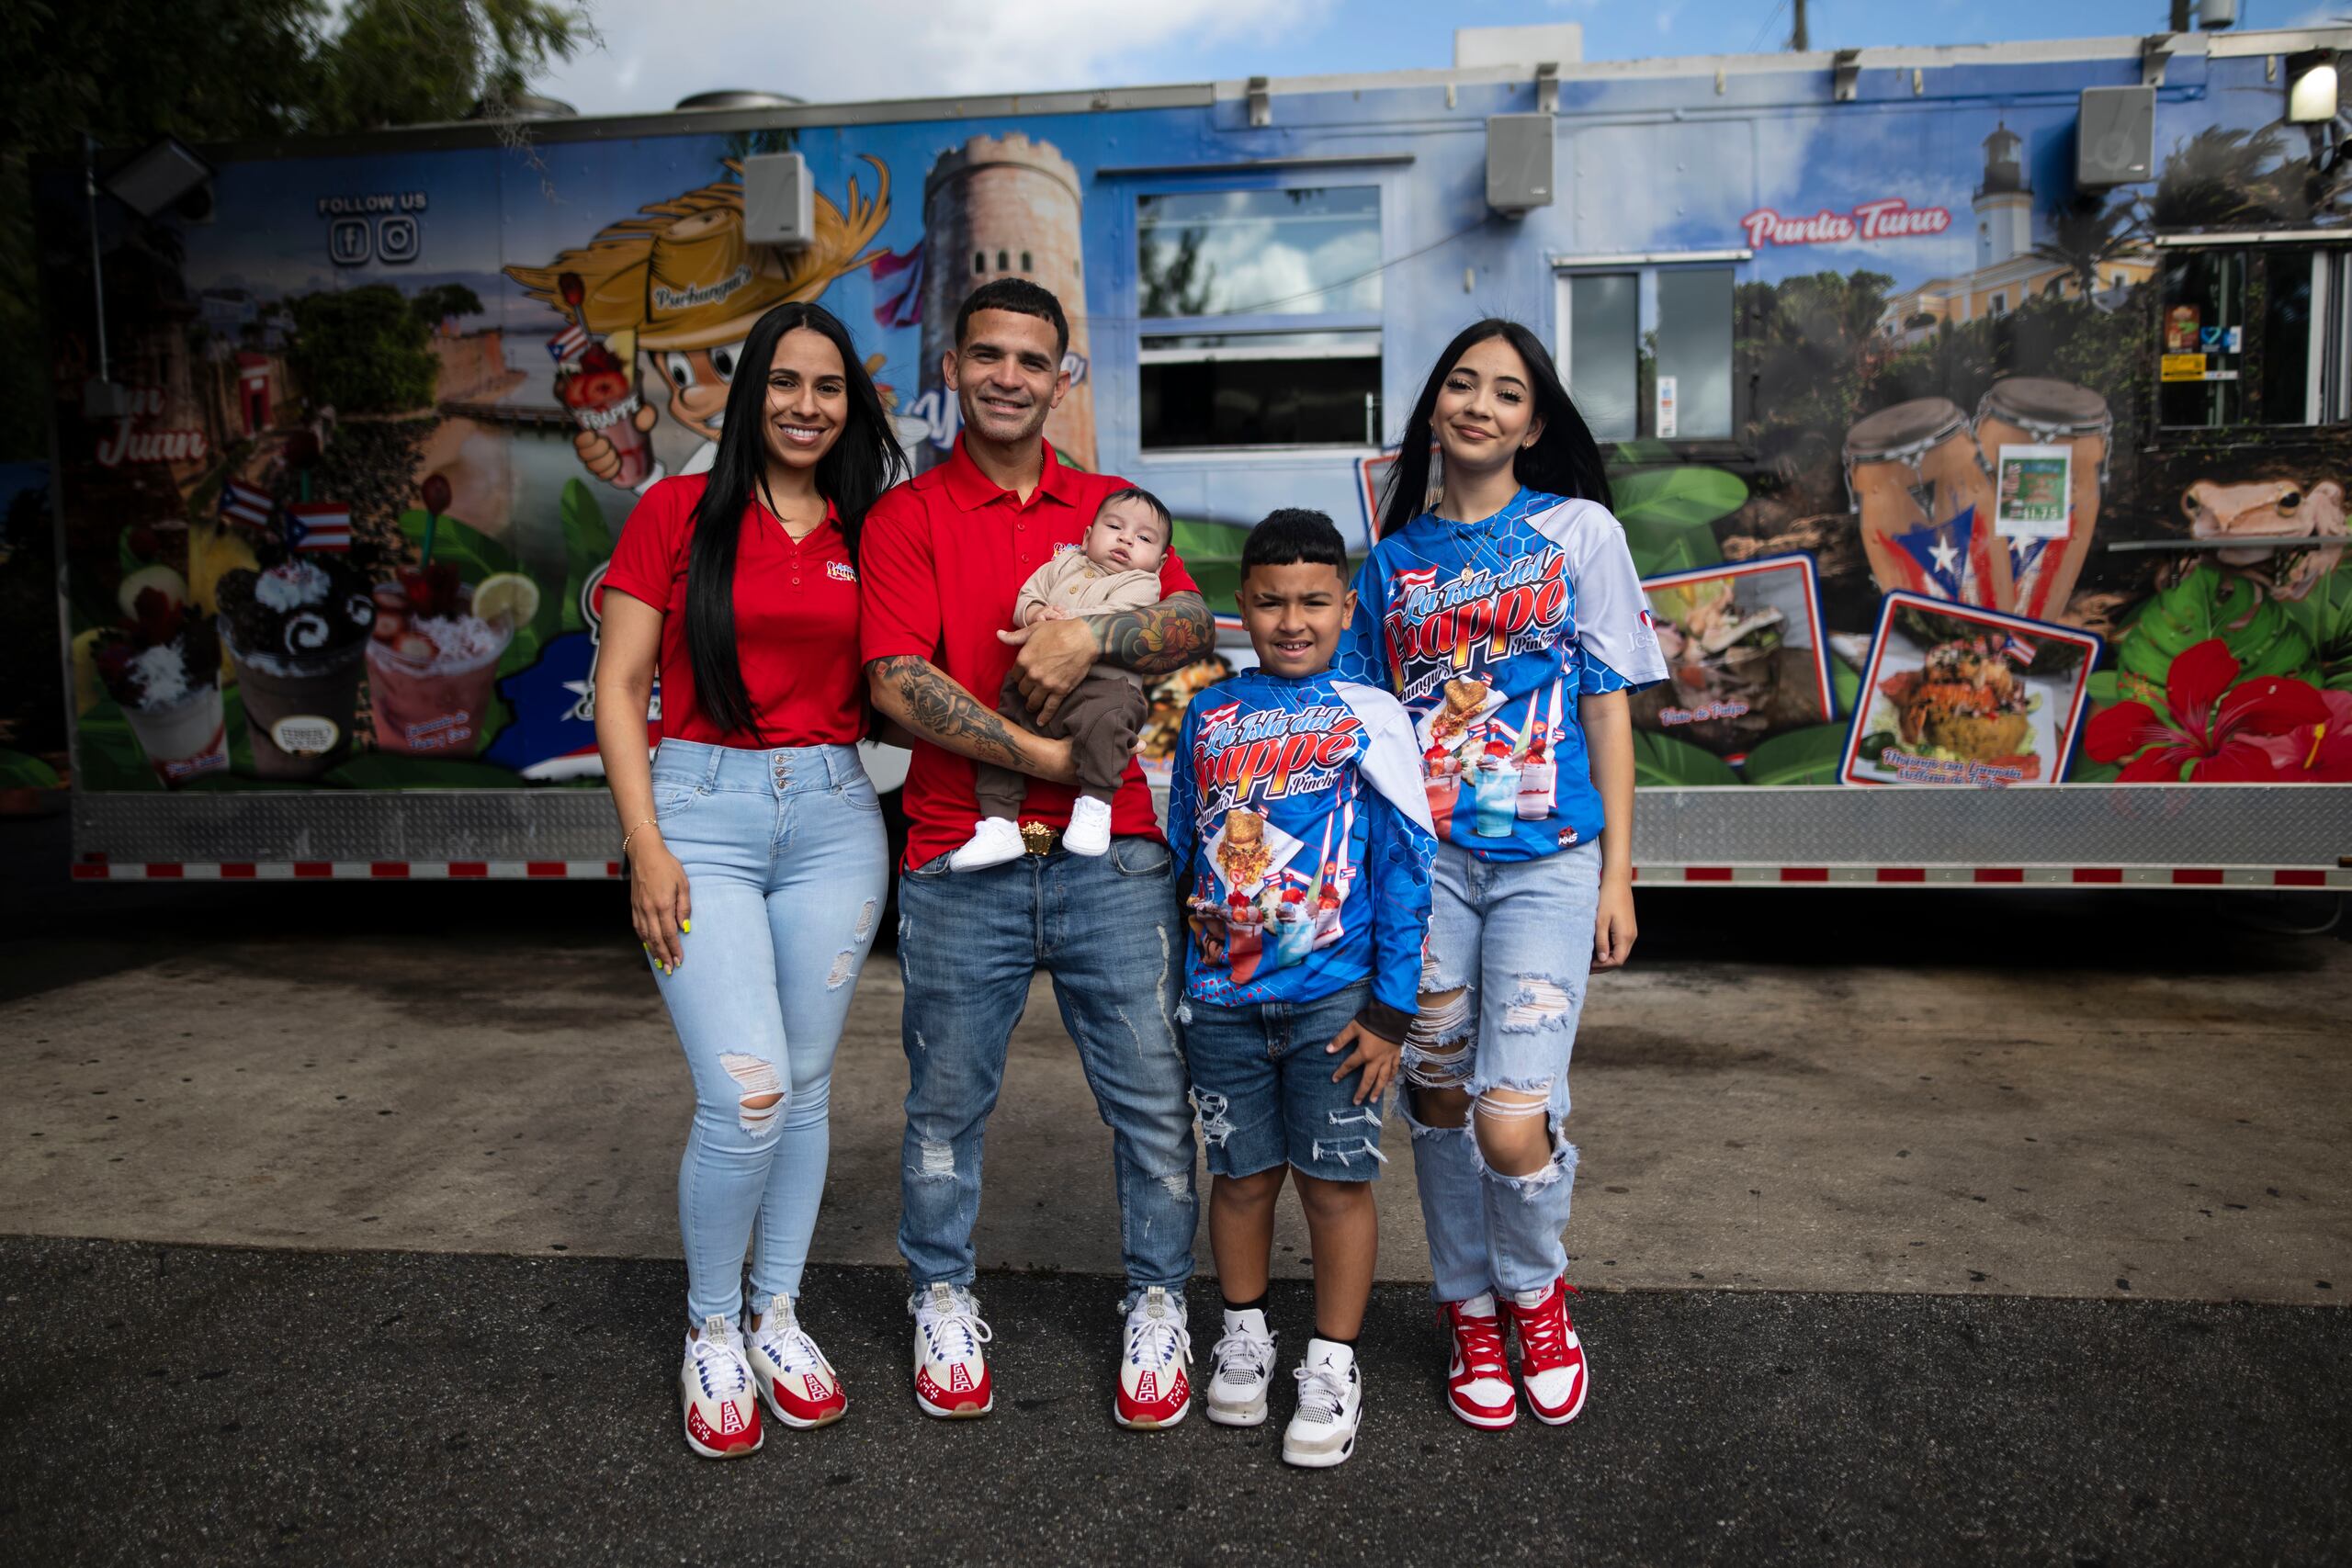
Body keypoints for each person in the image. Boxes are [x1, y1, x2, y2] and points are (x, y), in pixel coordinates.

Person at [858, 277, 1216, 1427]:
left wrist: (1086, 632)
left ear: (1064, 377)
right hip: (960, 852)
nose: (1009, 376)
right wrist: (1047, 762)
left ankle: (1159, 1302)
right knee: (946, 1102)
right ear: (952, 369)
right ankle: (942, 1294)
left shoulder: (1115, 506)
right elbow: (897, 683)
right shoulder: (906, 517)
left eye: (1033, 358)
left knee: (1154, 1102)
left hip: (1115, 867)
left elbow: (1189, 626)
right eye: (987, 355)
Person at [1332, 319, 1666, 1431]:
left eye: (1507, 393)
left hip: (1548, 866)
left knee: (1509, 1116)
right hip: (1427, 874)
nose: (1480, 405)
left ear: (1533, 421)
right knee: (1433, 1093)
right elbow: (1364, 733)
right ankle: (1466, 1306)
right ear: (1434, 407)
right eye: (1462, 386)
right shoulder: (1387, 565)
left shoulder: (1579, 534)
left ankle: (1534, 1292)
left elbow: (1607, 700)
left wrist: (1620, 871)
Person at [594, 300, 903, 1458]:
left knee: (810, 1088)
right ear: (748, 394)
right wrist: (645, 844)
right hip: (697, 816)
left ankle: (778, 1312)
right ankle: (710, 1327)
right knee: (749, 1094)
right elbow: (623, 685)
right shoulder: (674, 512)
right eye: (784, 383)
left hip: (832, 816)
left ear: (850, 404)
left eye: (828, 388)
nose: (805, 407)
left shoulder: (870, 528)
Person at [1169, 509, 1435, 1468]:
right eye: (1272, 601)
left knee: (1333, 1183)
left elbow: (1408, 868)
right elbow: (1175, 852)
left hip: (1337, 1005)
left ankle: (1331, 1362)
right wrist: (1176, 989)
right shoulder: (1208, 712)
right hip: (1222, 1001)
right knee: (1240, 1178)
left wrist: (1389, 1013)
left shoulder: (1372, 714)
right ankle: (1243, 1334)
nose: (1292, 620)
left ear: (1345, 605)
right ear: (1241, 605)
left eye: (1314, 601)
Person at [951, 486, 1172, 870]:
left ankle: (1094, 806)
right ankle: (997, 824)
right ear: (1087, 537)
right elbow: (1029, 594)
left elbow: (1121, 614)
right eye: (1114, 527)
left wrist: (1066, 622)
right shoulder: (1063, 562)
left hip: (1104, 688)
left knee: (1109, 722)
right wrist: (1036, 615)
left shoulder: (1142, 583)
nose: (1125, 539)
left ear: (1160, 560)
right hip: (1034, 684)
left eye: (1143, 538)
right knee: (1001, 729)